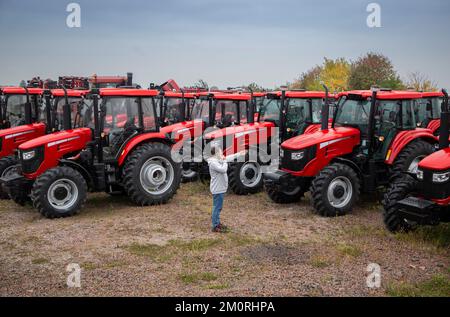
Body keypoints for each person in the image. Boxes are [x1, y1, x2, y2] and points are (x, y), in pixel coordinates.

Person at [208, 146, 228, 233]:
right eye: (220, 152)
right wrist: (225, 161)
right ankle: (215, 226)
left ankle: (217, 223)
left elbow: (228, 157)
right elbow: (223, 169)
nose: (222, 154)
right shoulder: (213, 163)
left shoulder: (217, 160)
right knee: (217, 207)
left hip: (220, 188)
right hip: (218, 189)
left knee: (218, 207)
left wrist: (239, 154)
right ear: (216, 154)